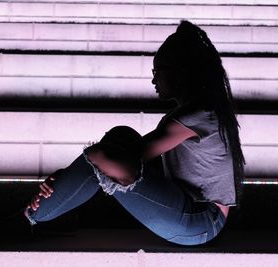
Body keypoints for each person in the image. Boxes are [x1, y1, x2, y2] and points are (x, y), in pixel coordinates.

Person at [23, 19, 246, 246]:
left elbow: (128, 156)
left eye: (157, 71)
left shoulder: (195, 116)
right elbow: (126, 150)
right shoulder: (200, 110)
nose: (153, 79)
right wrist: (69, 174)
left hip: (200, 221)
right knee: (120, 137)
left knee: (101, 155)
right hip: (196, 215)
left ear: (181, 73)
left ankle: (31, 217)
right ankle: (53, 209)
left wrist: (67, 175)